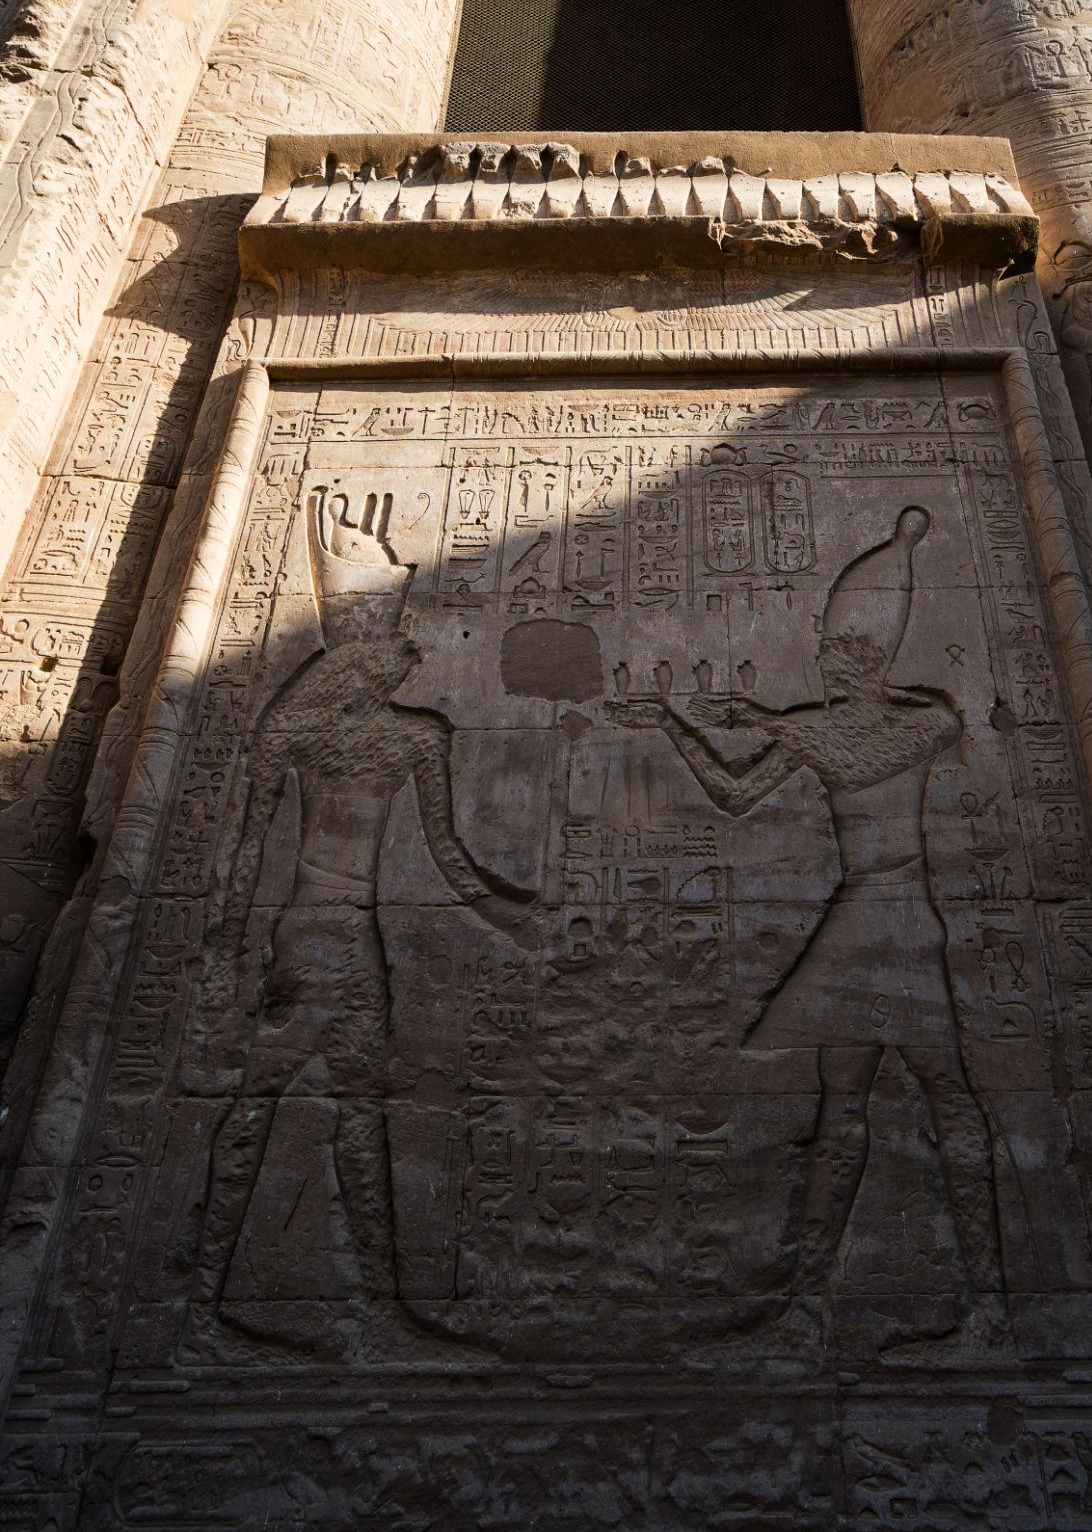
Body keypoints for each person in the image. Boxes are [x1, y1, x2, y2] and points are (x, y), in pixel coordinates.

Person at [609, 506, 1008, 1335]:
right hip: (873, 917)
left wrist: (746, 728)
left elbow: (798, 771)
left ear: (867, 659)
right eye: (828, 655)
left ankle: (991, 1308)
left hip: (887, 918)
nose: (825, 665)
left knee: (941, 1099)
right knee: (852, 1107)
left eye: (838, 654)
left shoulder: (860, 730)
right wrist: (700, 727)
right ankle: (807, 1301)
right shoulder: (900, 723)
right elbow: (741, 794)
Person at [188, 488, 527, 1319]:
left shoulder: (305, 732)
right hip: (338, 941)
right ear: (367, 657)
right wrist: (510, 913)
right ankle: (206, 1305)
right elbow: (448, 858)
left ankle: (344, 1309)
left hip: (313, 934)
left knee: (325, 1106)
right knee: (325, 1106)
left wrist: (232, 947)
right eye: (394, 650)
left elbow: (243, 853)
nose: (406, 660)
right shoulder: (404, 736)